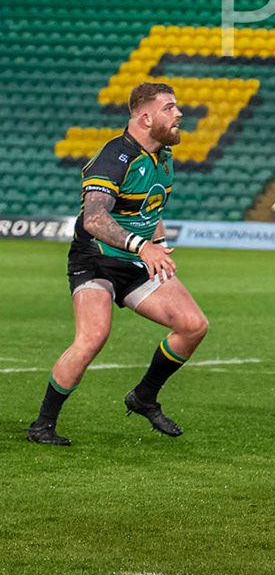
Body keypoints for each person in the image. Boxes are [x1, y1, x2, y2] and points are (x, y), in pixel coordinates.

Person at [30, 82, 209, 445]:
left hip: (137, 258)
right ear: (145, 117)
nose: (179, 114)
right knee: (92, 337)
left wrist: (157, 245)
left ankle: (143, 397)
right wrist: (142, 246)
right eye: (169, 108)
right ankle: (42, 426)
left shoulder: (163, 156)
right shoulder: (115, 157)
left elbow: (149, 207)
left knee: (193, 327)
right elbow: (94, 219)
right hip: (96, 258)